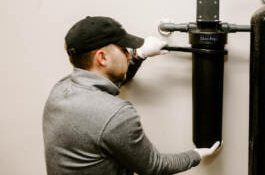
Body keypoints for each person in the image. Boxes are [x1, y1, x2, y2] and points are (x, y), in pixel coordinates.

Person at [42, 16, 221, 175]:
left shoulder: (59, 91)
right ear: (102, 58)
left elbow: (104, 84)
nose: (129, 55)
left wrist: (140, 55)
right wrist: (196, 155)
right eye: (124, 50)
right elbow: (154, 166)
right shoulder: (117, 115)